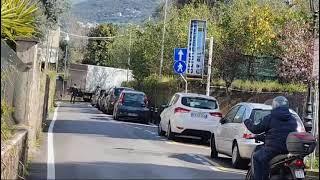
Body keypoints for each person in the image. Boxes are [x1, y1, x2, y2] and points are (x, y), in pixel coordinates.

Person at [244, 96, 298, 180]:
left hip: (274, 149)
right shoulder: (293, 119)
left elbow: (256, 129)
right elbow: (279, 133)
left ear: (275, 105)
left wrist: (247, 122)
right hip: (288, 148)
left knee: (257, 157)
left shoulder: (271, 117)